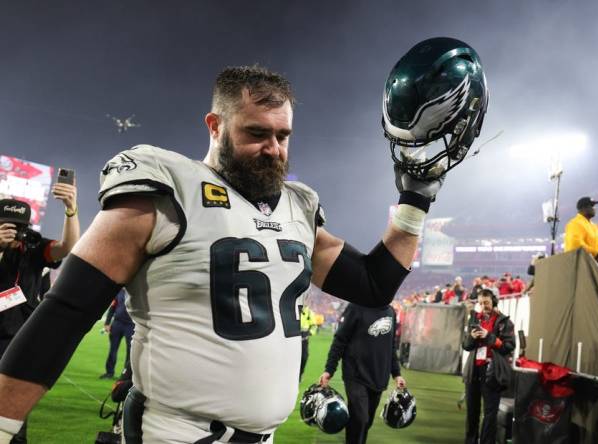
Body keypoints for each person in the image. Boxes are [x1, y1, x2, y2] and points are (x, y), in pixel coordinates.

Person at [0, 38, 489, 443]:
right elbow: (65, 313)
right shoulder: (166, 187)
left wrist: (416, 198)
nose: (273, 148)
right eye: (257, 133)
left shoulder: (297, 205)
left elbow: (371, 285)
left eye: (283, 135)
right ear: (215, 125)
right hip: (174, 433)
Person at [0, 188, 80, 444]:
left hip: (19, 338)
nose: (14, 231)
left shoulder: (32, 246)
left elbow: (67, 247)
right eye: (6, 225)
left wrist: (71, 209)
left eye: (19, 226)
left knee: (13, 412)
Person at [319, 303, 405, 444]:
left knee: (366, 423)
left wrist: (396, 374)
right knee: (360, 418)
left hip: (379, 377)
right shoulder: (356, 307)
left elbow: (391, 346)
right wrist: (330, 369)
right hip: (355, 374)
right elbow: (340, 339)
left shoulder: (390, 312)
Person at [461, 288, 515, 444]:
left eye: (486, 302)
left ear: (494, 301)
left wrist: (489, 336)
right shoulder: (474, 319)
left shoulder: (504, 322)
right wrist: (472, 337)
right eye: (480, 303)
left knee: (490, 414)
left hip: (492, 371)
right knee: (472, 412)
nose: (483, 305)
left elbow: (509, 346)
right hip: (474, 370)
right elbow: (465, 345)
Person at [101, 288, 134, 380]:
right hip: (117, 324)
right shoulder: (119, 292)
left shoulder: (136, 291)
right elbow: (112, 307)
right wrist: (107, 323)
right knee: (112, 349)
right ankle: (109, 372)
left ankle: (125, 376)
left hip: (131, 325)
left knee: (130, 352)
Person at [564, 197, 598, 262]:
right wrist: (596, 253)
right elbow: (575, 245)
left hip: (595, 263)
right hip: (582, 266)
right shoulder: (575, 223)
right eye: (592, 206)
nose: (594, 208)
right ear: (583, 208)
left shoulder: (593, 225)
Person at [299, 304, 317, 380]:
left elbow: (314, 326)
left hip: (304, 339)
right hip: (293, 337)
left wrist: (309, 333)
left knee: (304, 358)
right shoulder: (293, 310)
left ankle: (300, 374)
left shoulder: (309, 312)